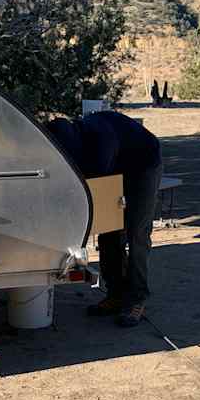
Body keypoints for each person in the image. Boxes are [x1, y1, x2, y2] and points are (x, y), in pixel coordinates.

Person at [47, 111, 163, 328]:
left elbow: (92, 190)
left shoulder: (101, 141)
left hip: (144, 166)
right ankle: (115, 294)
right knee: (109, 233)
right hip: (116, 166)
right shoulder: (74, 142)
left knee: (136, 233)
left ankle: (136, 299)